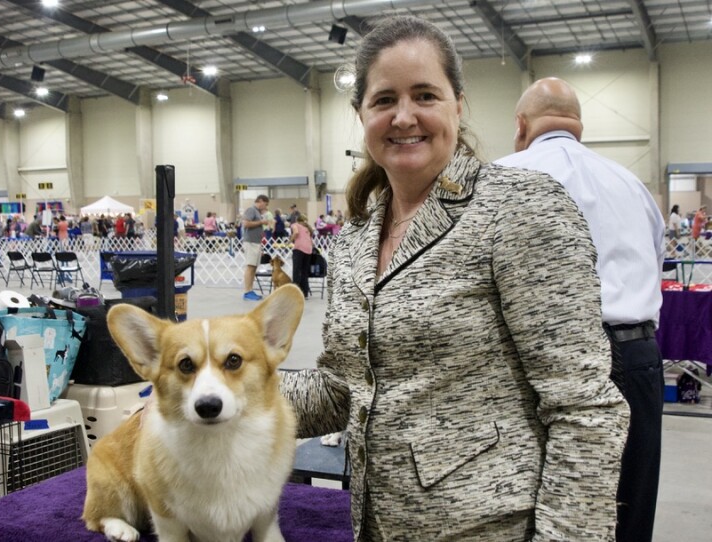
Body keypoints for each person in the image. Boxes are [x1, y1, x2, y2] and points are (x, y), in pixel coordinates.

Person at [278, 16, 627, 541]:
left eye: (424, 95)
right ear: (361, 114)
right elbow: (343, 391)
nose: (403, 117)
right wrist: (216, 396)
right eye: (383, 100)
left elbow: (584, 407)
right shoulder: (354, 239)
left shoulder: (519, 208)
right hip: (376, 526)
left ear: (458, 105)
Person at [496, 76, 664, 542]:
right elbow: (654, 264)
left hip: (541, 361)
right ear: (579, 127)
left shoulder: (503, 176)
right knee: (629, 513)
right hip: (637, 355)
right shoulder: (632, 184)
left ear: (521, 125)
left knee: (541, 515)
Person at [241, 194, 270, 301]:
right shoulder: (251, 210)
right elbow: (245, 223)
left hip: (256, 243)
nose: (265, 207)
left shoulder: (257, 212)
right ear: (261, 201)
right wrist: (261, 222)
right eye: (265, 204)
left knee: (253, 267)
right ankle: (247, 291)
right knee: (250, 267)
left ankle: (250, 290)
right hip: (251, 242)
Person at [289, 214, 313, 298]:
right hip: (308, 250)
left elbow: (295, 233)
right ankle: (305, 292)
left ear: (297, 220)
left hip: (299, 249)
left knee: (296, 271)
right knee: (304, 272)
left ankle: (295, 293)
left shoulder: (295, 225)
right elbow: (311, 241)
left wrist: (290, 241)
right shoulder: (308, 228)